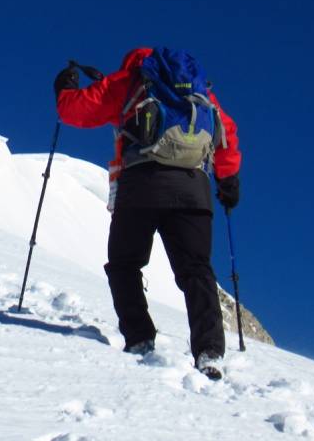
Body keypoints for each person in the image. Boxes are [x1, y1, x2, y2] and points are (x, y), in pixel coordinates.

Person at [54, 47, 241, 380]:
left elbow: (77, 111)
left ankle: (140, 338)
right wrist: (228, 181)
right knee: (196, 270)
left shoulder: (130, 80)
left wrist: (64, 88)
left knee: (125, 264)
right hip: (193, 188)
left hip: (141, 183)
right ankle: (209, 351)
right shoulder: (200, 92)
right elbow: (225, 132)